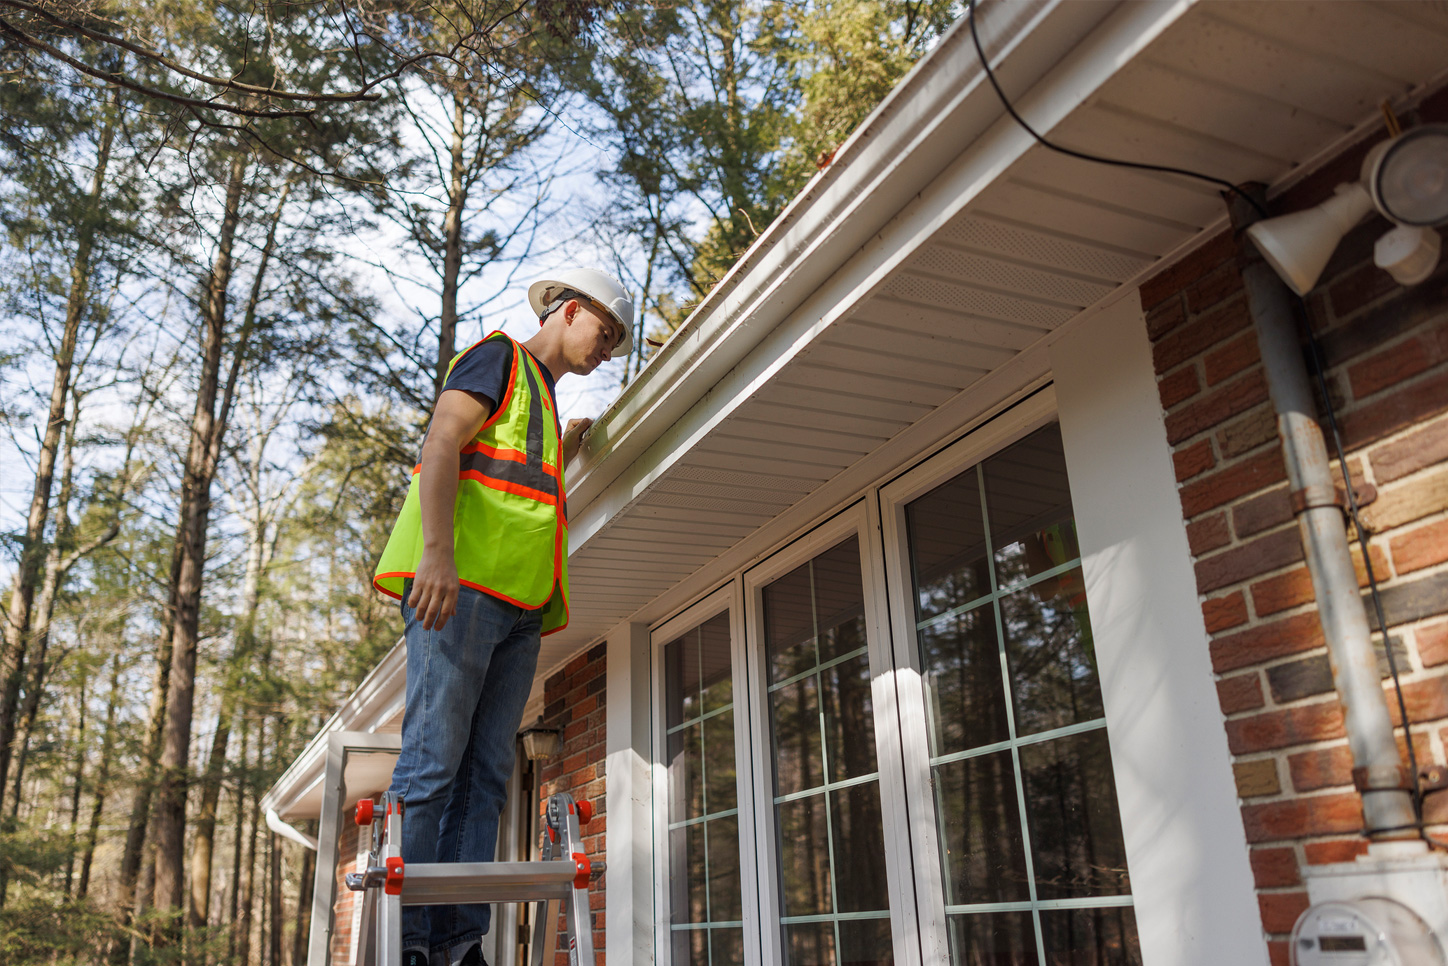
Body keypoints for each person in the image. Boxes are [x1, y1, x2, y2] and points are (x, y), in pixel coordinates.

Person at [372, 269, 634, 966]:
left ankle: (456, 942)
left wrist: (568, 450)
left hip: (520, 609)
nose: (606, 350)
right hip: (460, 592)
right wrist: (435, 557)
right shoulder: (498, 359)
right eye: (603, 333)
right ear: (569, 310)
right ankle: (408, 943)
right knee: (432, 763)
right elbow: (441, 446)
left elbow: (515, 487)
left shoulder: (542, 403)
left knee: (487, 773)